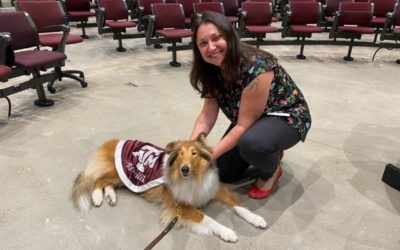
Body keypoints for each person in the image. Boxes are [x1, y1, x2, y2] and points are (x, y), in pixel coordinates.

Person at [189, 11, 312, 199]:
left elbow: (243, 126)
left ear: (229, 35)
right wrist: (190, 150)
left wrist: (207, 157)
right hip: (251, 116)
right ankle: (270, 148)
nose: (211, 47)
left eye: (216, 38)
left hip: (286, 115)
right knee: (225, 172)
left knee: (252, 144)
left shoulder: (256, 66)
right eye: (203, 43)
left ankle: (271, 172)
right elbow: (207, 116)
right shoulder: (211, 69)